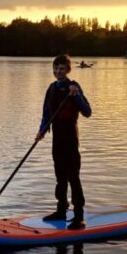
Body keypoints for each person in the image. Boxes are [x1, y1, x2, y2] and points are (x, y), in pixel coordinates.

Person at [36, 55, 92, 227]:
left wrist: (76, 96)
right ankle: (61, 211)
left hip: (70, 136)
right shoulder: (51, 88)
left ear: (68, 70)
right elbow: (47, 114)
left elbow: (87, 111)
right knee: (60, 176)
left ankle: (79, 216)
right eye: (56, 68)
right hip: (57, 137)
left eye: (61, 68)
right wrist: (41, 131)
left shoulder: (73, 87)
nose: (58, 71)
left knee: (73, 175)